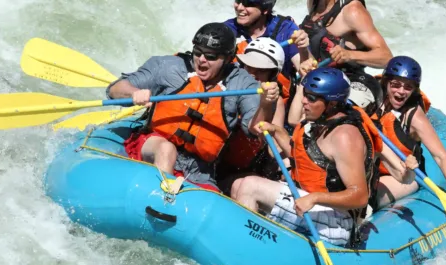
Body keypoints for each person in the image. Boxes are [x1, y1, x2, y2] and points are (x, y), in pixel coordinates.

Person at [230, 67, 418, 246]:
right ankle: (256, 242)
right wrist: (277, 131)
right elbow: (304, 158)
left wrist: (315, 198)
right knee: (238, 185)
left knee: (249, 187)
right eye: (305, 95)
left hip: (338, 221)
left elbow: (360, 196)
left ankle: (247, 249)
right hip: (313, 205)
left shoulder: (344, 136)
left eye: (312, 98)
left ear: (332, 103)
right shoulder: (318, 122)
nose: (304, 101)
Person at [105, 22, 279, 192]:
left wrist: (266, 103)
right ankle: (156, 201)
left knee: (211, 198)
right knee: (167, 150)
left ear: (227, 58)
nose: (202, 60)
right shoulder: (169, 66)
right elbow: (115, 88)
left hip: (199, 171)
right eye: (198, 52)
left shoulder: (242, 83)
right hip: (152, 144)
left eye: (211, 56)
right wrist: (134, 93)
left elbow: (255, 128)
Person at [369, 56, 446, 208]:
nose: (401, 92)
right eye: (396, 85)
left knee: (369, 197)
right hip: (370, 166)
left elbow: (440, 156)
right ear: (385, 82)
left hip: (404, 174)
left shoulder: (415, 117)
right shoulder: (372, 97)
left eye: (408, 87)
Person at [287, 0, 392, 126]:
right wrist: (302, 47)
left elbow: (386, 57)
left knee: (310, 123)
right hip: (320, 81)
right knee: (294, 121)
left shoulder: (352, 10)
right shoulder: (313, 3)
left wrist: (350, 55)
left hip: (353, 82)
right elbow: (313, 60)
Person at [215, 38, 289, 194]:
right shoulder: (224, 85)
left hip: (238, 170)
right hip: (208, 159)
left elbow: (271, 147)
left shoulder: (276, 102)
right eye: (249, 67)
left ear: (273, 74)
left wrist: (264, 104)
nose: (252, 75)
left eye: (261, 70)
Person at [224, 0, 310, 104]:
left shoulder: (285, 29)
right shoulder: (227, 29)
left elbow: (306, 70)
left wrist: (303, 49)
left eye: (248, 3)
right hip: (239, 104)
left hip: (277, 103)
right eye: (238, 1)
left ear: (265, 9)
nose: (240, 7)